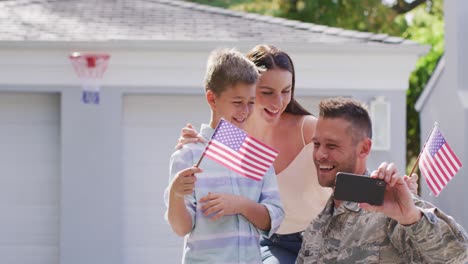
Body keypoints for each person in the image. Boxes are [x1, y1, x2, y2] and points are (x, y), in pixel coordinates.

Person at [176, 44, 333, 263]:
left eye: (286, 91)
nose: (278, 102)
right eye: (267, 92)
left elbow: (351, 168)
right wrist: (192, 144)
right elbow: (204, 161)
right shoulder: (235, 134)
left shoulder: (308, 129)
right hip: (274, 243)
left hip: (324, 238)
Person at [296, 97, 468, 263]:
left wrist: (410, 216)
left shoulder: (392, 207)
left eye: (332, 145)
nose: (319, 154)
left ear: (364, 148)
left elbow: (460, 257)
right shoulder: (316, 227)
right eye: (316, 144)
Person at [164, 48, 284, 263]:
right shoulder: (189, 155)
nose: (245, 111)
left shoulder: (256, 156)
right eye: (237, 103)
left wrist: (241, 205)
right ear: (212, 98)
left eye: (251, 102)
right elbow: (181, 228)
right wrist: (175, 194)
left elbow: (274, 218)